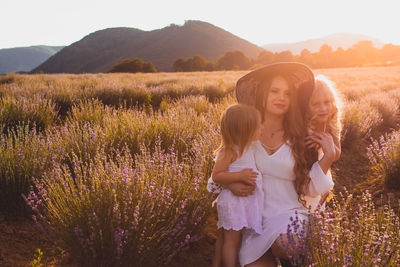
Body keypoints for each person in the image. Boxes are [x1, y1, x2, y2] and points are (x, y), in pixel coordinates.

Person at [208, 62, 337, 267]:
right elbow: (222, 169)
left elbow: (309, 189)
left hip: (290, 215)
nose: (281, 97)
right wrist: (231, 184)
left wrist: (327, 158)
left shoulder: (302, 136)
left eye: (287, 93)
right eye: (274, 91)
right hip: (253, 221)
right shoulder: (245, 129)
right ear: (262, 94)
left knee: (287, 244)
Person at [211, 104, 264, 267]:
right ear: (244, 131)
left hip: (243, 202)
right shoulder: (229, 151)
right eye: (257, 126)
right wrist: (239, 176)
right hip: (232, 202)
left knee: (227, 237)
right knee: (231, 241)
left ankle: (216, 264)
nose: (261, 128)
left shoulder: (250, 147)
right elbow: (216, 175)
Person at [304, 75, 342, 210]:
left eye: (327, 102)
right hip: (302, 174)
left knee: (318, 206)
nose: (323, 108)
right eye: (316, 104)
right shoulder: (304, 125)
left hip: (322, 168)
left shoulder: (330, 124)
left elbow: (336, 153)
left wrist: (327, 145)